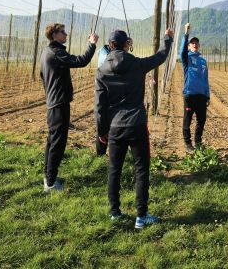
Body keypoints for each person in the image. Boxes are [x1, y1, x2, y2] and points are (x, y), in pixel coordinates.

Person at [95, 28, 173, 229]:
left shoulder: (102, 70)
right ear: (126, 44)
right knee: (141, 169)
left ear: (110, 44)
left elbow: (100, 107)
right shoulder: (137, 64)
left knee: (114, 169)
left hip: (114, 127)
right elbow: (161, 56)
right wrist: (167, 38)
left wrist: (101, 133)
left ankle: (115, 212)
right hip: (137, 125)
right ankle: (141, 216)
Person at [40, 23, 97, 192]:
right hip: (59, 104)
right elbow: (81, 61)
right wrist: (92, 44)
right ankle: (50, 184)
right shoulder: (57, 53)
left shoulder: (45, 52)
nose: (66, 35)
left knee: (51, 142)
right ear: (54, 35)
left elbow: (42, 77)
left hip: (52, 102)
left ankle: (49, 176)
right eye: (63, 32)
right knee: (58, 143)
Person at [180, 23, 210, 153]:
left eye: (196, 43)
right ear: (188, 46)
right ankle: (188, 144)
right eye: (192, 43)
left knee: (201, 120)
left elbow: (205, 79)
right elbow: (181, 51)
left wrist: (207, 95)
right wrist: (186, 34)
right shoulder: (186, 58)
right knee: (187, 120)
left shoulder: (203, 61)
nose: (195, 44)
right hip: (190, 94)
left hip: (201, 96)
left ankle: (198, 142)